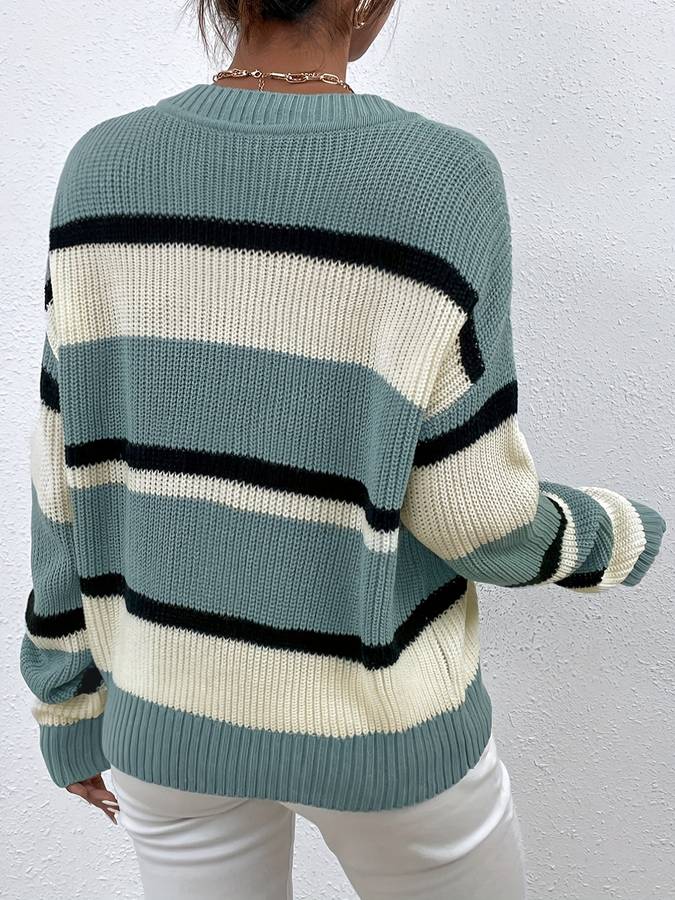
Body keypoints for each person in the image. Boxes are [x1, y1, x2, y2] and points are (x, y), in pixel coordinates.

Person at [18, 0, 667, 897]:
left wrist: (65, 700)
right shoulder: (441, 177)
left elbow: (65, 473)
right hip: (378, 735)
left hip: (163, 718)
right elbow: (477, 521)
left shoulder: (102, 166)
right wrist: (613, 535)